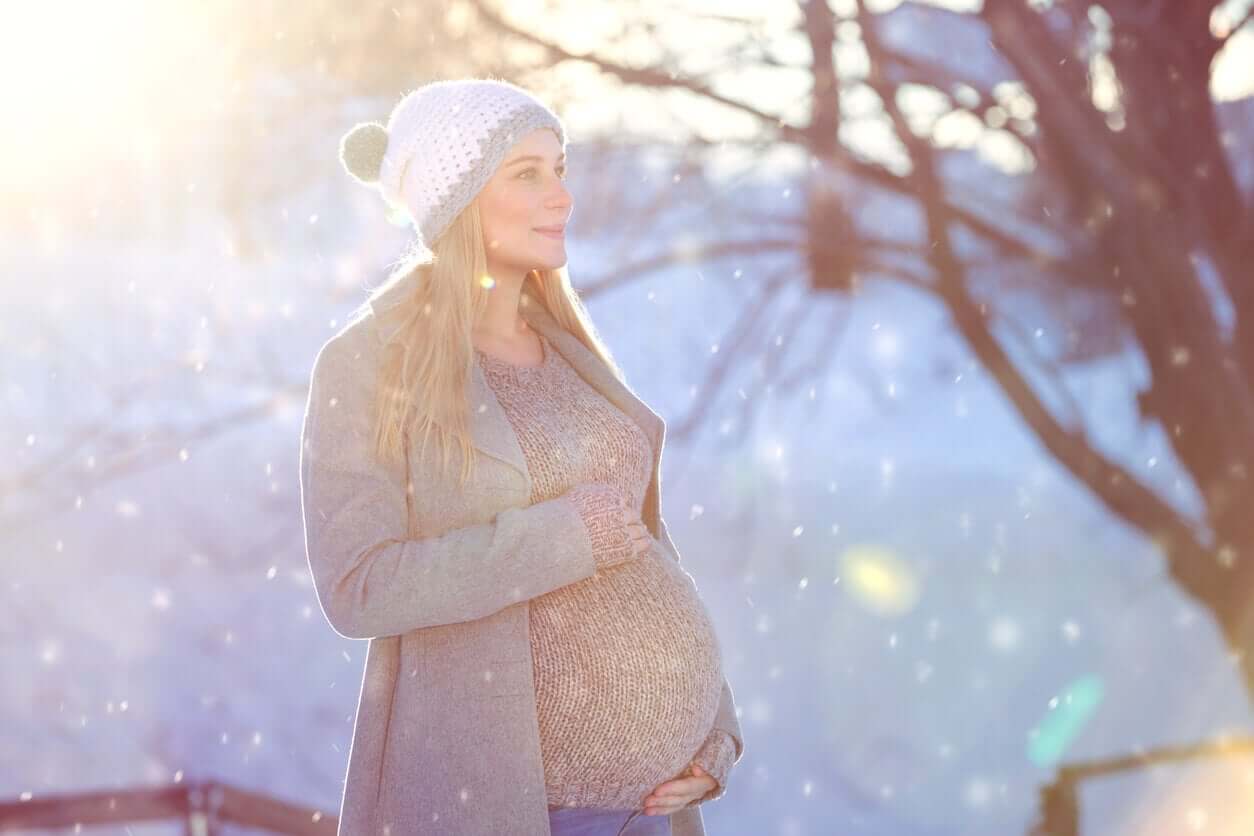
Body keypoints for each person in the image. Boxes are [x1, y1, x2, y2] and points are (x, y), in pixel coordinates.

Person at [301, 77, 743, 835]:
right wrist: (560, 539)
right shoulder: (371, 363)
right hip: (519, 809)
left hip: (652, 811)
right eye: (528, 174)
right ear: (459, 200)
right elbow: (359, 585)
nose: (562, 196)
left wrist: (713, 727)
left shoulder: (569, 350)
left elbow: (643, 545)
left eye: (560, 167)